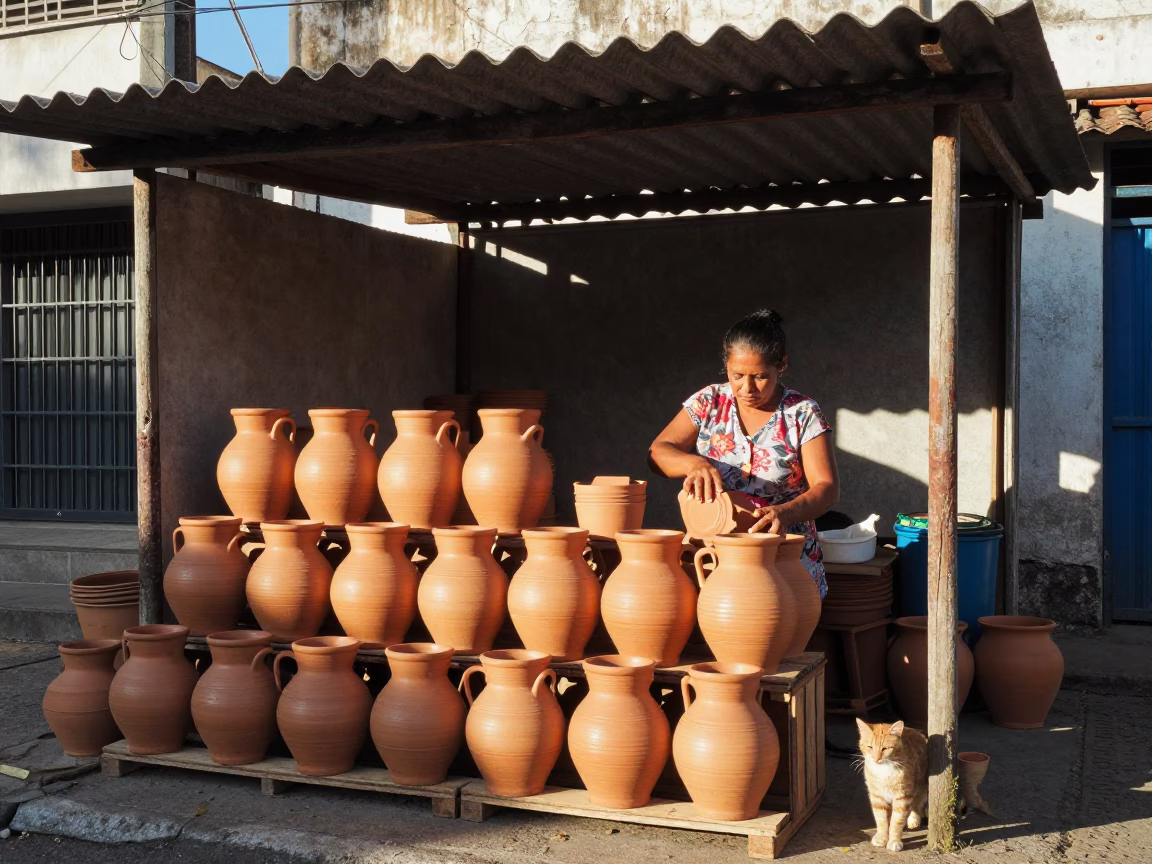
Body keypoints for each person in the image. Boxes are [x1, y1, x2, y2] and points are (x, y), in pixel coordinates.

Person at [648, 309, 839, 596]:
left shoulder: (802, 413)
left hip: (785, 563)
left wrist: (784, 513)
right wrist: (692, 464)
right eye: (737, 375)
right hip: (714, 560)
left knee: (781, 633)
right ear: (726, 365)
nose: (747, 388)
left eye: (760, 376)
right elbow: (658, 452)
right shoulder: (709, 402)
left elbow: (827, 488)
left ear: (782, 365)